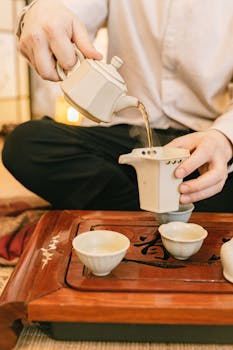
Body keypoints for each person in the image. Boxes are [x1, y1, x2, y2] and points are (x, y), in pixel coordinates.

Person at [2, 0, 233, 212]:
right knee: (25, 144)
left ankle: (126, 214)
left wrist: (223, 138)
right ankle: (171, 214)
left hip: (204, 143)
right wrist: (40, 12)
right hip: (124, 140)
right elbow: (70, 9)